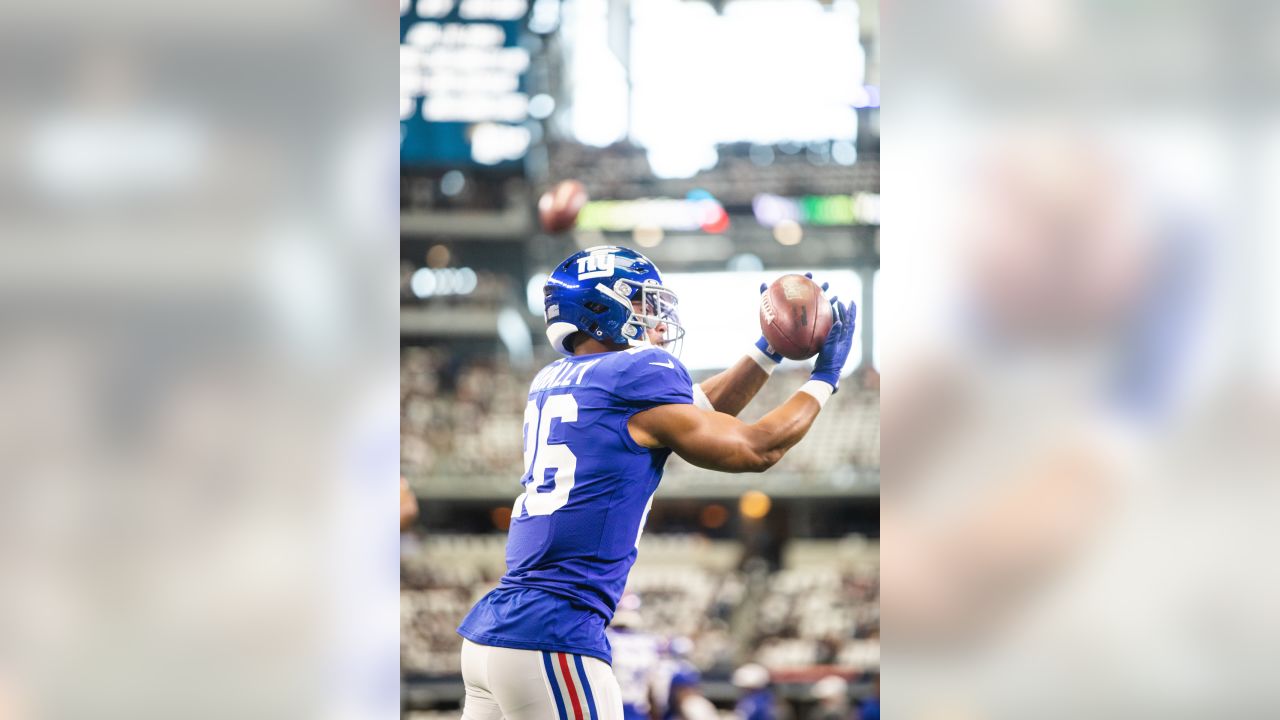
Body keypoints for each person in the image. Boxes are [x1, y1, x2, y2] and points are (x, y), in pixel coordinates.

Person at [455, 246, 856, 719]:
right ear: (603, 308)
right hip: (553, 632)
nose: (658, 318)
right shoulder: (638, 372)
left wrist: (767, 351)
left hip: (496, 635)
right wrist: (825, 377)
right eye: (645, 304)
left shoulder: (557, 378)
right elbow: (756, 448)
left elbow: (695, 414)